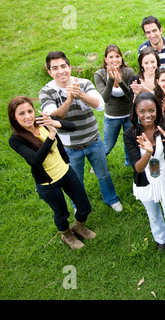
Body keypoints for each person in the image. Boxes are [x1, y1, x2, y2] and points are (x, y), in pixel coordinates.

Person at [39, 51, 123, 212]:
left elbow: (99, 105)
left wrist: (80, 95)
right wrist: (69, 99)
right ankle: (79, 206)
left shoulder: (83, 83)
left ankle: (111, 199)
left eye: (63, 66)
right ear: (50, 72)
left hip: (94, 141)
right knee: (75, 181)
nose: (61, 71)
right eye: (55, 68)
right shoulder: (46, 91)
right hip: (69, 147)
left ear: (69, 67)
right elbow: (54, 117)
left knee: (104, 175)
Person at [8, 96, 95, 249]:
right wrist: (51, 134)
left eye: (30, 111)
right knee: (61, 214)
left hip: (66, 172)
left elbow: (72, 126)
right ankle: (67, 236)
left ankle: (78, 227)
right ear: (14, 117)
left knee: (84, 207)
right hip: (48, 184)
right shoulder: (16, 140)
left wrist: (54, 123)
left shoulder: (43, 121)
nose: (28, 116)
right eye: (21, 113)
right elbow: (35, 160)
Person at [123, 92, 165, 255]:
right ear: (136, 112)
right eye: (142, 111)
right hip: (145, 182)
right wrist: (148, 152)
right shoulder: (130, 134)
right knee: (154, 216)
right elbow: (137, 168)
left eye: (152, 110)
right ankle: (160, 239)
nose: (147, 115)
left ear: (157, 110)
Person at [94, 44, 135, 166]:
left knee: (130, 141)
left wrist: (120, 82)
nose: (114, 60)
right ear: (106, 59)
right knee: (108, 144)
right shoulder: (100, 74)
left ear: (121, 58)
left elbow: (130, 97)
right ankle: (98, 162)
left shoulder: (128, 72)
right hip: (112, 117)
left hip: (129, 114)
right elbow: (104, 99)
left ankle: (129, 162)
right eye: (111, 57)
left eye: (117, 56)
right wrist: (111, 80)